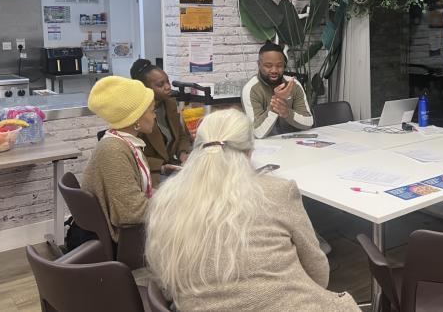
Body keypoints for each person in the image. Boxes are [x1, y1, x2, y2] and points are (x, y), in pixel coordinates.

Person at [145, 109, 359, 312]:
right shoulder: (277, 191)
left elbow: (166, 283)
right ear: (248, 152)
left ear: (196, 149)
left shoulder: (165, 200)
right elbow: (319, 273)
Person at [83, 76, 158, 242]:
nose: (155, 116)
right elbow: (132, 212)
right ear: (136, 118)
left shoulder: (124, 143)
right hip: (125, 240)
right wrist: (177, 205)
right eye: (152, 111)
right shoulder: (113, 150)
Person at [130, 59, 192, 186]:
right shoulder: (137, 115)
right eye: (160, 84)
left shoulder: (170, 103)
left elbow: (181, 134)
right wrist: (161, 167)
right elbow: (132, 156)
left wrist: (183, 153)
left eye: (167, 81)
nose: (168, 87)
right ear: (145, 88)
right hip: (151, 172)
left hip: (174, 166)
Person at [242, 41, 313, 139]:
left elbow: (309, 122)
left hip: (293, 142)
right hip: (265, 145)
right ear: (259, 64)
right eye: (268, 66)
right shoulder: (251, 89)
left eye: (279, 65)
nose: (274, 70)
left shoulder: (294, 84)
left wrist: (287, 113)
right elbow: (257, 132)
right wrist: (276, 102)